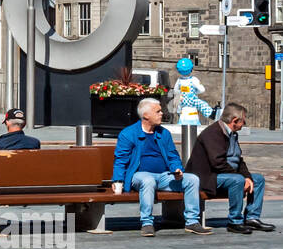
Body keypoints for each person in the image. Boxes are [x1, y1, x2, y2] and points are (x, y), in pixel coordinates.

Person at [112, 96, 211, 236]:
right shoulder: (128, 134)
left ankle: (192, 221)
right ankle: (147, 223)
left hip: (164, 176)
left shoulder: (164, 133)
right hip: (140, 176)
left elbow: (172, 156)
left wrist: (177, 169)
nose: (162, 114)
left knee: (192, 179)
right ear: (146, 115)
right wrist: (118, 181)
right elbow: (120, 159)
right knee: (148, 180)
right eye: (158, 111)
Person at [187, 102, 275, 234]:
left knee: (258, 180)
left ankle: (252, 217)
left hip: (226, 174)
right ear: (234, 121)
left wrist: (247, 177)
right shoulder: (213, 133)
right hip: (208, 177)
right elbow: (217, 162)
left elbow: (238, 160)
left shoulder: (232, 133)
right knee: (237, 180)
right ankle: (235, 221)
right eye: (243, 121)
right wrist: (241, 178)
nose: (244, 124)